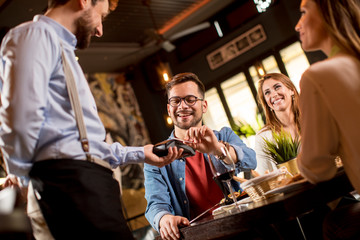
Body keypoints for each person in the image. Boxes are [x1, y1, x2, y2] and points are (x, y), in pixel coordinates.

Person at [0, 0, 182, 239]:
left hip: (89, 181)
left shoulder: (61, 50)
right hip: (72, 183)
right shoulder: (34, 35)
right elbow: (19, 123)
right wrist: (22, 186)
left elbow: (88, 144)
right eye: (101, 16)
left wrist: (140, 153)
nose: (99, 30)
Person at [144, 72, 256, 240]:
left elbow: (250, 160)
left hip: (241, 227)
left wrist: (217, 149)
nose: (182, 106)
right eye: (176, 101)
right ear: (169, 109)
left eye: (190, 99)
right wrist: (164, 218)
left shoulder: (223, 136)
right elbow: (156, 203)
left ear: (204, 106)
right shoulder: (157, 156)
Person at [295, 0, 360, 239]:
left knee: (334, 222)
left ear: (326, 12)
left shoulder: (317, 76)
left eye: (303, 12)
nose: (297, 25)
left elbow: (318, 168)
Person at [254, 73, 301, 175]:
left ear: (291, 90)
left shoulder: (311, 119)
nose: (273, 95)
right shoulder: (263, 137)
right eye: (267, 93)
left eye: (277, 87)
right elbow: (265, 176)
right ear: (267, 103)